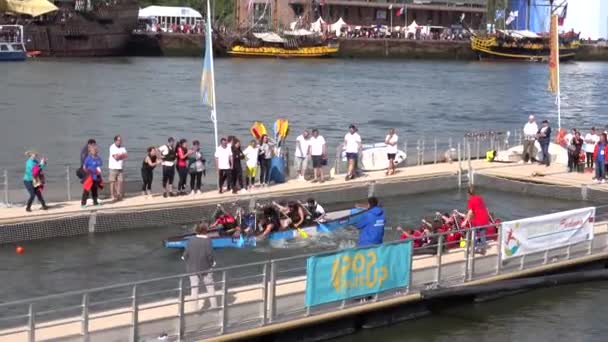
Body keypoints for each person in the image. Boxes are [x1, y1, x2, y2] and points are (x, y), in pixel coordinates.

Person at [183, 223, 217, 310]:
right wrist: (213, 263)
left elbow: (185, 254)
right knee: (210, 287)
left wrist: (185, 258)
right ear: (206, 231)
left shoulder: (191, 240)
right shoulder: (208, 241)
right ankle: (214, 307)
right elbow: (210, 255)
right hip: (206, 267)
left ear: (197, 230)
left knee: (194, 288)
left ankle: (195, 310)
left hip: (192, 268)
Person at [460, 186, 491, 253]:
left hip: (478, 220)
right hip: (485, 218)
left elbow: (470, 211)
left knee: (474, 234)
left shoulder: (471, 200)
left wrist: (465, 221)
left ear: (468, 193)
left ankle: (473, 249)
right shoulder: (480, 198)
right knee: (482, 233)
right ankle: (483, 248)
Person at [108, 135, 127, 201]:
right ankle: (112, 195)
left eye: (121, 140)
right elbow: (115, 158)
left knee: (120, 181)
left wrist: (119, 156)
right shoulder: (112, 147)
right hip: (113, 167)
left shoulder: (123, 148)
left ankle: (119, 194)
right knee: (112, 182)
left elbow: (126, 156)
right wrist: (121, 155)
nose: (120, 142)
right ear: (115, 141)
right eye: (119, 140)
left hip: (120, 167)